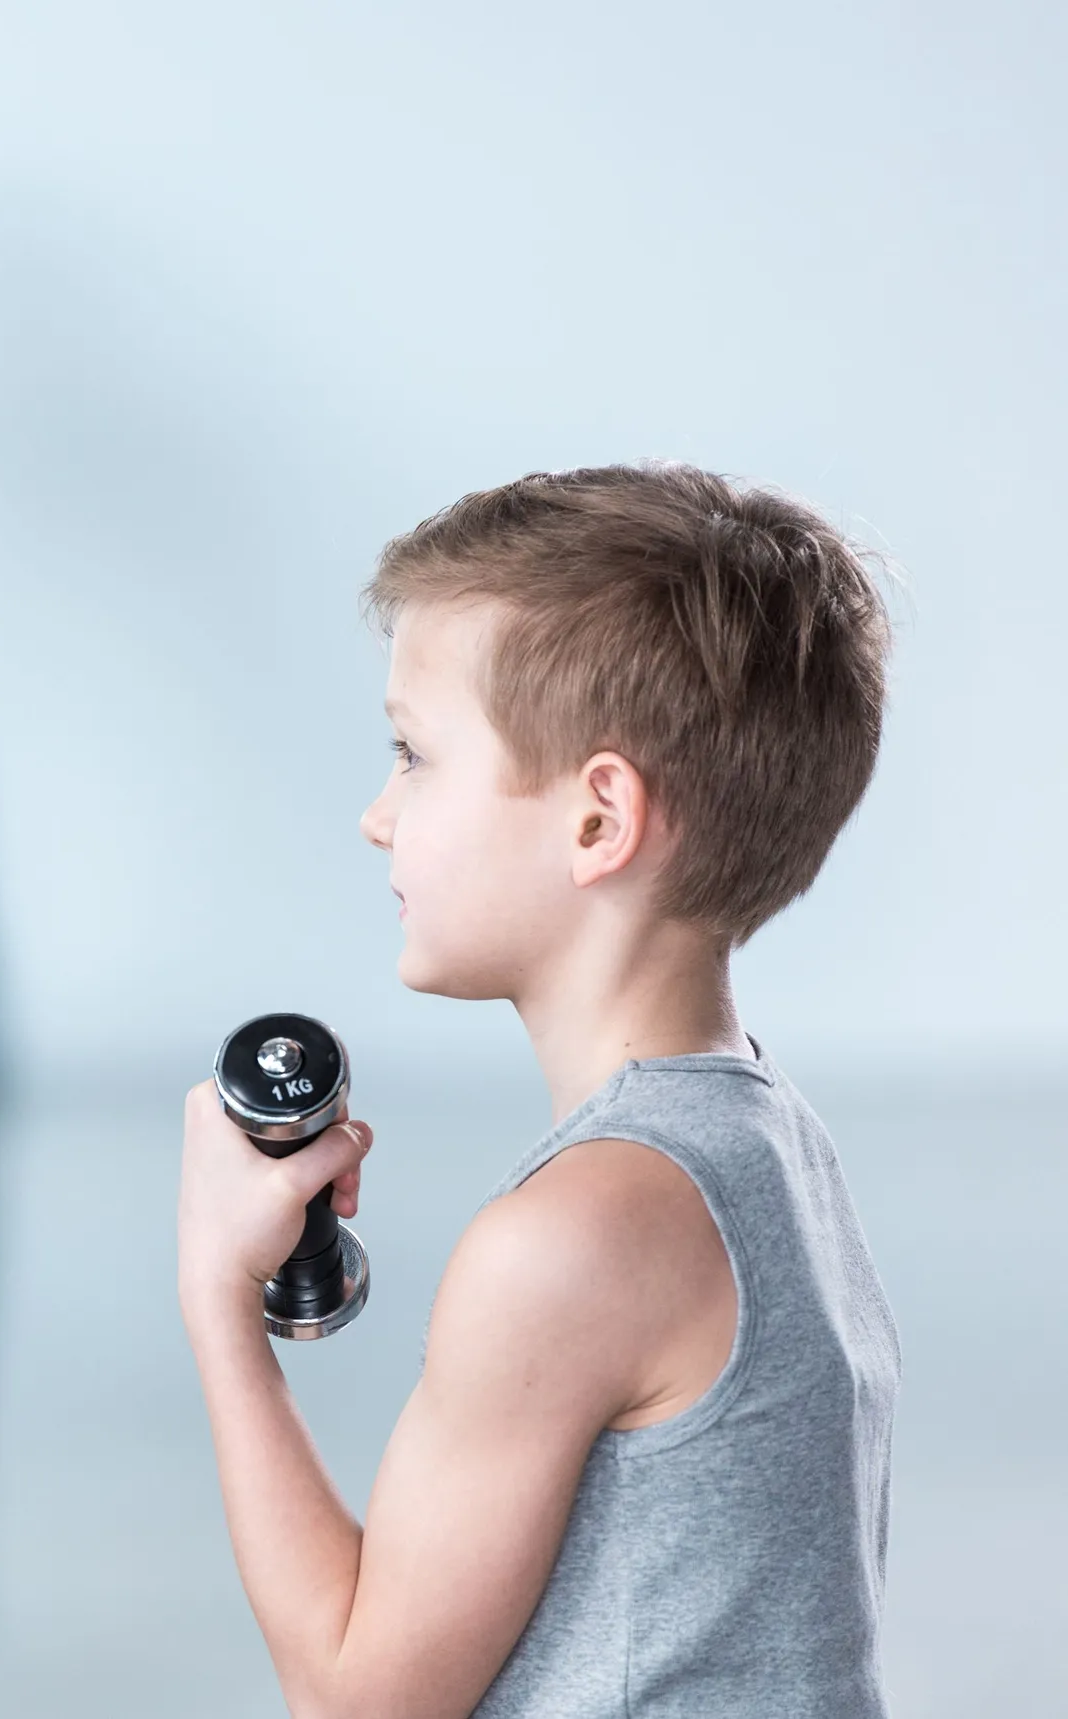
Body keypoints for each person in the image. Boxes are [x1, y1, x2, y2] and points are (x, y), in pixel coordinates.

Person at [174, 465, 901, 1717]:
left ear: (598, 820)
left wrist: (216, 1298)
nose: (377, 816)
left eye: (415, 756)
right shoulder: (772, 1140)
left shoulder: (571, 1240)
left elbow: (356, 1701)